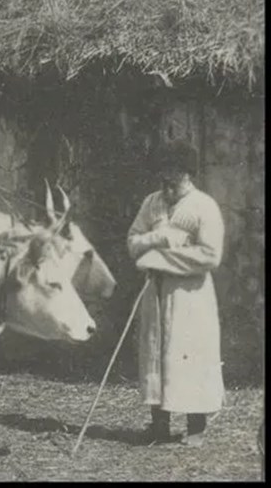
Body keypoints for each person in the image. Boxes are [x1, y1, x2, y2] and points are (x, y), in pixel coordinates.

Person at [127, 139, 225, 447]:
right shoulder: (151, 203)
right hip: (155, 293)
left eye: (173, 172)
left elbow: (210, 255)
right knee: (156, 355)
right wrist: (157, 238)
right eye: (163, 172)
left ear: (186, 173)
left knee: (191, 355)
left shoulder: (203, 206)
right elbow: (133, 241)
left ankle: (196, 428)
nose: (166, 179)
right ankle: (159, 426)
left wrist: (161, 258)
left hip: (190, 296)